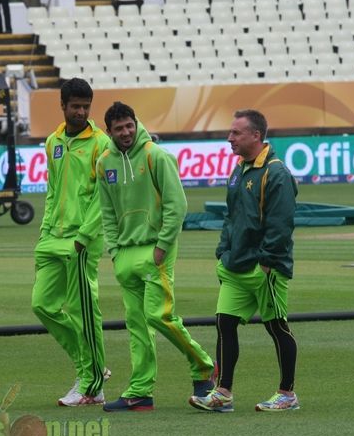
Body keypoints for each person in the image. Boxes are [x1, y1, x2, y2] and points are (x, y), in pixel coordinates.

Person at [96, 102, 216, 412]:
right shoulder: (105, 162)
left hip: (156, 250)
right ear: (108, 131)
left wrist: (162, 245)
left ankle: (203, 367)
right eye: (119, 128)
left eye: (129, 125)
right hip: (125, 254)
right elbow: (107, 210)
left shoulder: (155, 156)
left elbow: (177, 205)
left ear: (136, 123)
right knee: (136, 324)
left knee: (158, 316)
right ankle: (140, 391)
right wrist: (114, 250)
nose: (126, 132)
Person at [189, 109, 300, 413]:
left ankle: (287, 394)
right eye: (231, 132)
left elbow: (281, 224)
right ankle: (223, 392)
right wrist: (223, 252)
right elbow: (232, 215)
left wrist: (266, 263)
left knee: (277, 327)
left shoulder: (276, 173)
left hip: (265, 269)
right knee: (224, 324)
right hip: (235, 265)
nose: (229, 138)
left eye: (236, 133)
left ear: (256, 135)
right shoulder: (240, 169)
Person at [32, 78, 112, 407]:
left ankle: (91, 383)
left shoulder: (101, 143)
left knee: (82, 312)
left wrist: (83, 237)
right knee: (42, 305)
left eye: (85, 107)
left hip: (82, 240)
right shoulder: (53, 142)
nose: (80, 112)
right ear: (62, 106)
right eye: (75, 106)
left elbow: (102, 197)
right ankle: (92, 368)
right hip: (53, 238)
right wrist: (45, 230)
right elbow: (53, 191)